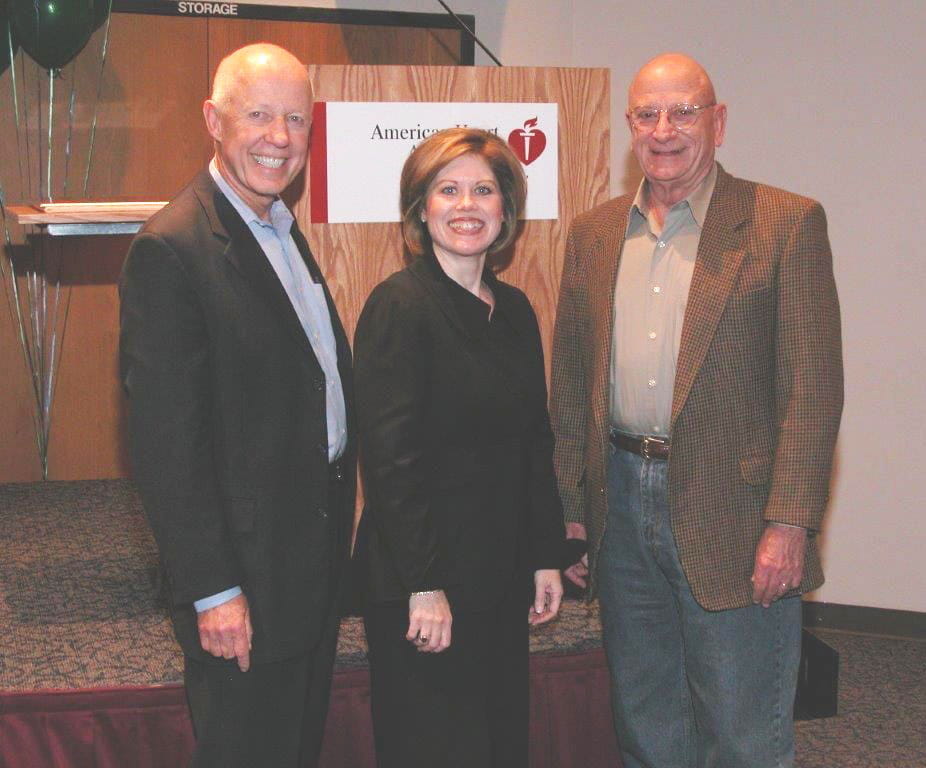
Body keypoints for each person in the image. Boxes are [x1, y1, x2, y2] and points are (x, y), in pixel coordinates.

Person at [550, 53, 843, 768]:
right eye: (647, 114)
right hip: (619, 501)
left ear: (718, 121)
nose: (664, 129)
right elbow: (569, 381)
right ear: (629, 127)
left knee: (742, 730)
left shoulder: (784, 223)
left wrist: (790, 521)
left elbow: (813, 389)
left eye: (683, 111)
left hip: (735, 514)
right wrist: (572, 506)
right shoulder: (592, 234)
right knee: (646, 719)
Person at [119, 43, 354, 767]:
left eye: (294, 120)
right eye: (258, 116)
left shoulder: (281, 230)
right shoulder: (173, 248)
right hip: (243, 586)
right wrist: (213, 589)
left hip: (303, 571)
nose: (279, 138)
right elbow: (166, 446)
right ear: (212, 120)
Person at [352, 127, 566, 767]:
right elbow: (391, 460)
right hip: (426, 583)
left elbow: (533, 442)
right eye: (448, 190)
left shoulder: (517, 309)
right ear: (421, 208)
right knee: (434, 750)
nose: (466, 205)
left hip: (499, 577)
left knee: (496, 744)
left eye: (483, 189)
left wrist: (544, 556)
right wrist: (425, 584)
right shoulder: (399, 306)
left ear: (506, 210)